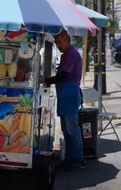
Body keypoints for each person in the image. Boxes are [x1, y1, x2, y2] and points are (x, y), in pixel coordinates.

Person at [44, 29, 87, 172]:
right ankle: (70, 158)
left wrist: (48, 81)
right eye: (56, 42)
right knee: (66, 130)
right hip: (66, 97)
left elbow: (63, 76)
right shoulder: (66, 55)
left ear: (67, 40)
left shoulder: (71, 55)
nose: (58, 45)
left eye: (59, 42)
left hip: (70, 97)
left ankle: (77, 159)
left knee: (72, 129)